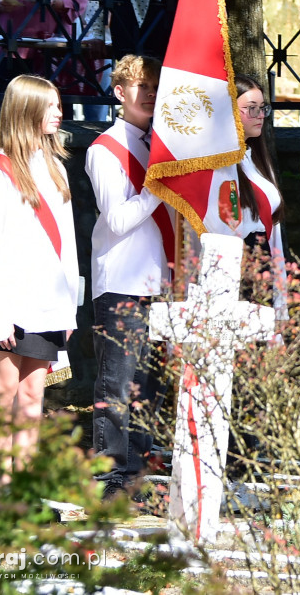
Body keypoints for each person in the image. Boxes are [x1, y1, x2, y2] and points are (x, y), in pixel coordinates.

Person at [0, 75, 79, 484]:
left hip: (49, 301)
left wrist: (69, 304)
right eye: (51, 106)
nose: (59, 112)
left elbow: (67, 243)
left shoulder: (55, 167)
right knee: (3, 396)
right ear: (27, 110)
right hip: (12, 303)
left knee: (34, 395)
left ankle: (25, 483)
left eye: (58, 105)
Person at [85, 54, 173, 500]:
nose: (151, 95)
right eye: (143, 87)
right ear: (119, 92)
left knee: (148, 388)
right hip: (120, 282)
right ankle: (110, 478)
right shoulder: (104, 147)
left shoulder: (159, 144)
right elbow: (117, 220)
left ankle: (137, 473)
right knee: (116, 385)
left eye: (157, 87)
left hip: (158, 282)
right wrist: (157, 188)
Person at [230, 74, 288, 313]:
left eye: (262, 108)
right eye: (250, 109)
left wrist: (281, 300)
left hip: (262, 265)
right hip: (235, 267)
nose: (260, 115)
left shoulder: (253, 158)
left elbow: (274, 233)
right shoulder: (219, 166)